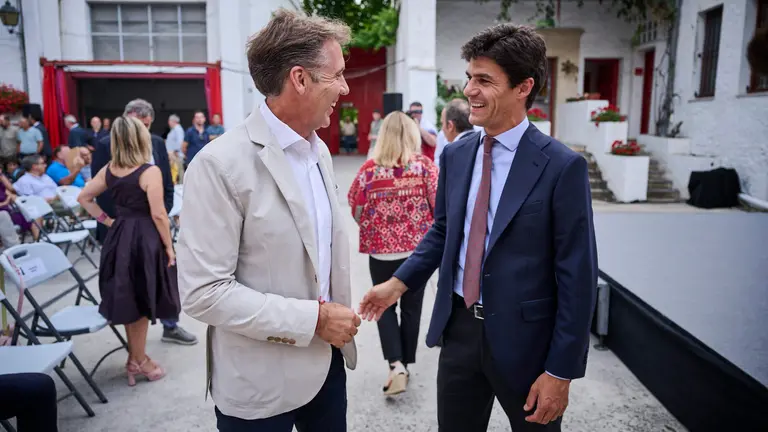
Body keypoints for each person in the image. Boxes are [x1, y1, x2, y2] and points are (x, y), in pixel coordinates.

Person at [359, 24, 598, 431]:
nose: (469, 89)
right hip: (460, 330)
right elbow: (443, 232)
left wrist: (561, 371)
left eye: (484, 80)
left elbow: (578, 274)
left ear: (523, 87)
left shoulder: (562, 166)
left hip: (528, 343)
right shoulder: (456, 154)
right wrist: (396, 285)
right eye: (470, 77)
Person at [177, 9, 360, 431]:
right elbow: (204, 293)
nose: (345, 87)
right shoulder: (219, 165)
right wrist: (315, 320)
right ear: (300, 79)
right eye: (337, 75)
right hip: (259, 388)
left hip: (326, 368)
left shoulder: (318, 151)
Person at [77, 116, 180, 386]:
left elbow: (84, 197)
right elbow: (159, 214)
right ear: (141, 139)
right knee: (142, 300)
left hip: (119, 236)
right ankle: (140, 360)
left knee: (130, 299)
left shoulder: (110, 169)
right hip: (145, 239)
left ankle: (135, 359)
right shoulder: (149, 171)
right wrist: (169, 248)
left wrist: (108, 221)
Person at [91, 99, 197, 346]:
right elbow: (100, 192)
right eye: (142, 124)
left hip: (153, 223)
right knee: (130, 285)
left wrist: (162, 211)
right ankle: (136, 349)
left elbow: (167, 184)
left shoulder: (156, 142)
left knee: (165, 277)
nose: (145, 130)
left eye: (148, 125)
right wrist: (113, 222)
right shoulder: (106, 145)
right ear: (128, 119)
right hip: (124, 226)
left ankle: (170, 325)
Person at [348, 111, 438, 395]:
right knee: (412, 309)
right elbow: (439, 206)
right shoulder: (424, 167)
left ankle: (395, 364)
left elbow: (355, 205)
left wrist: (373, 225)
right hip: (417, 253)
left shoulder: (369, 170)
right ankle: (405, 365)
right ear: (412, 135)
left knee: (383, 306)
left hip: (381, 253)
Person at [435, 98, 475, 163]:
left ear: (450, 126)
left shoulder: (449, 152)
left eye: (442, 123)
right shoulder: (485, 145)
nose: (442, 129)